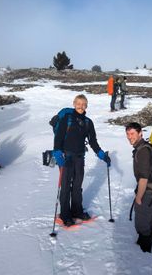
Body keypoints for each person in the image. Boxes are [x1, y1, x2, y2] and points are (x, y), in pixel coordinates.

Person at [53, 94, 111, 226]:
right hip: (65, 157)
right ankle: (65, 214)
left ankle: (77, 211)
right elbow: (59, 137)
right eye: (78, 103)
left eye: (84, 104)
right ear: (74, 104)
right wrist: (57, 152)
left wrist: (101, 154)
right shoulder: (67, 118)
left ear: (86, 106)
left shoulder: (88, 122)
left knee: (77, 186)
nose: (81, 106)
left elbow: (93, 141)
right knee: (66, 186)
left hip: (80, 158)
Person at [125, 122, 152, 253]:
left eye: (132, 134)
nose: (130, 137)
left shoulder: (142, 151)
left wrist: (139, 197)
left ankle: (144, 254)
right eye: (128, 134)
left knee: (142, 223)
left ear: (140, 133)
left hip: (147, 192)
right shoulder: (146, 146)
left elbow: (143, 178)